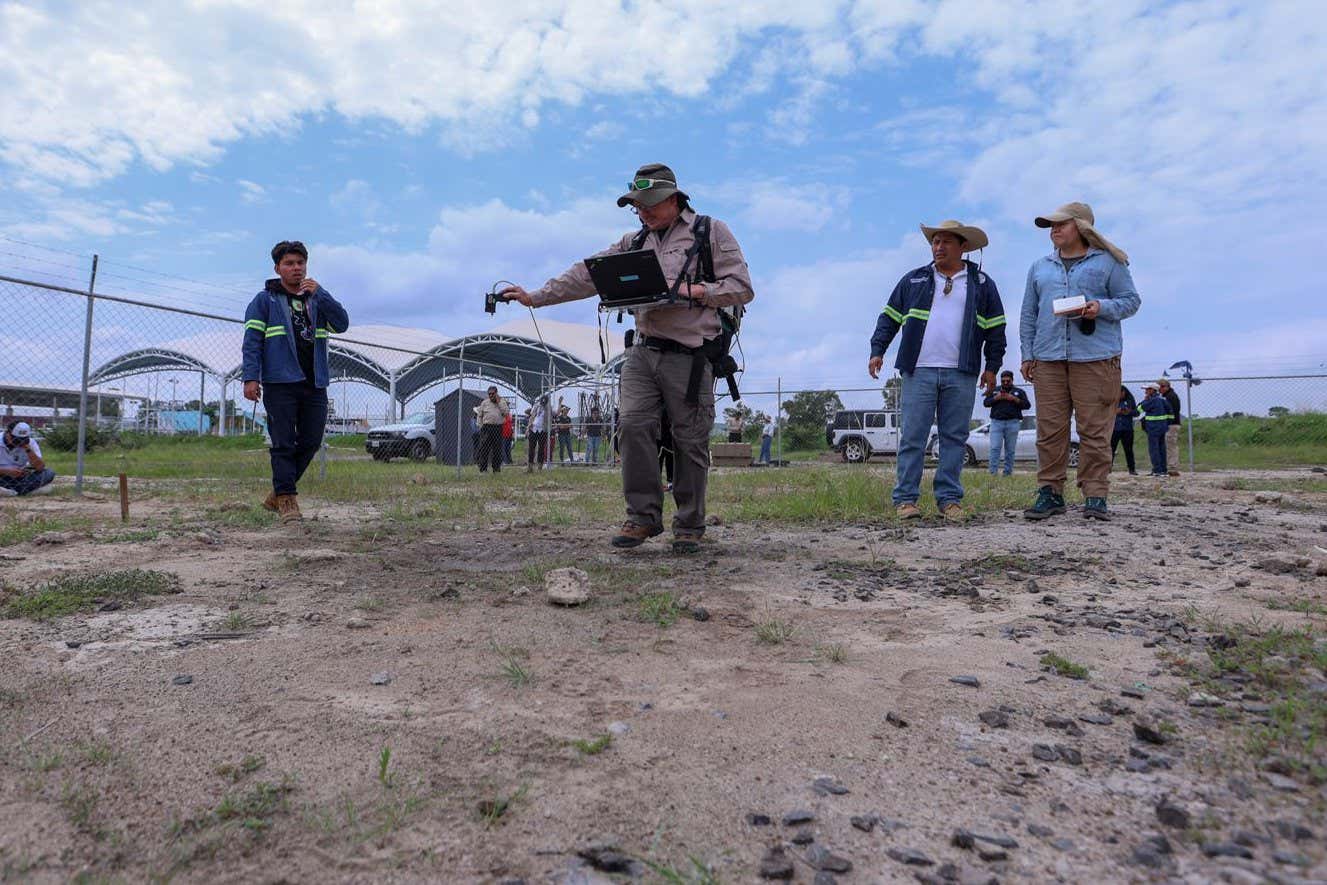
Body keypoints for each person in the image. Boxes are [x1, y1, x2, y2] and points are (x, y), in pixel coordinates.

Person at [501, 163, 754, 553]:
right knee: (632, 426)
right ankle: (642, 517)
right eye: (637, 205)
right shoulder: (633, 242)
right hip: (643, 351)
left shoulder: (710, 232)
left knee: (689, 438)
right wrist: (536, 296)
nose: (642, 211)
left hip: (690, 355)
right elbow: (587, 274)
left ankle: (689, 524)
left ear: (674, 199)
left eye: (649, 203)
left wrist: (693, 291)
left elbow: (741, 287)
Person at [868, 220, 1007, 522]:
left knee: (954, 437)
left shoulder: (982, 284)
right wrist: (878, 350)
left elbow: (996, 329)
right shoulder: (913, 280)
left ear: (962, 247)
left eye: (946, 242)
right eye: (935, 242)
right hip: (918, 370)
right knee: (913, 436)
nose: (939, 247)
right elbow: (889, 318)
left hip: (962, 372)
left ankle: (949, 500)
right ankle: (906, 500)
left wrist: (992, 366)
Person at [1020, 202, 1140, 522]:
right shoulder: (1039, 267)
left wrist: (1100, 307)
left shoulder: (1109, 263)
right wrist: (1027, 354)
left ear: (1082, 227)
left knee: (1095, 431)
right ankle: (1050, 492)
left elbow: (1131, 301)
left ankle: (1096, 495)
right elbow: (1029, 313)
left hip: (1096, 358)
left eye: (1061, 224)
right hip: (1048, 358)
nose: (1054, 229)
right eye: (1051, 225)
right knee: (1049, 431)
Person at [242, 241, 350, 523]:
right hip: (280, 382)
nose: (296, 268)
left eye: (300, 263)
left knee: (311, 441)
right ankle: (287, 499)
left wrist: (322, 294)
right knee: (283, 442)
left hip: (314, 382)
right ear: (277, 268)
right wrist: (250, 377)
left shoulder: (316, 299)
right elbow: (252, 341)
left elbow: (342, 324)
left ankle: (277, 493)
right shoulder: (264, 301)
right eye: (289, 263)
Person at [982, 369, 1030, 476]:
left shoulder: (1019, 392)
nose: (1005, 383)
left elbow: (1027, 405)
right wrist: (996, 398)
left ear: (1012, 380)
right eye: (1003, 381)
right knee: (995, 447)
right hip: (996, 423)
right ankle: (992, 473)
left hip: (1013, 423)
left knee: (1010, 450)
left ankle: (1007, 473)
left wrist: (1014, 399)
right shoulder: (995, 390)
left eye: (1008, 381)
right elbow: (985, 403)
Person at [0, 422, 56, 497]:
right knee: (46, 488)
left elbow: (40, 467)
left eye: (23, 439)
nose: (19, 442)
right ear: (7, 434)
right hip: (1, 475)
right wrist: (7, 471)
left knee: (49, 473)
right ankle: (24, 491)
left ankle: (12, 491)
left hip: (20, 478)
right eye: (16, 439)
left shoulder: (30, 443)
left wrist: (28, 449)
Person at [1139, 384, 1172, 475]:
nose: (1145, 391)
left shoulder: (1151, 401)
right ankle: (1163, 470)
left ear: (1153, 390)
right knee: (1162, 449)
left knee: (1154, 449)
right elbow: (1170, 413)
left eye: (1147, 389)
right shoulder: (1163, 400)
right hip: (1162, 428)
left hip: (1153, 428)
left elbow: (1139, 409)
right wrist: (1166, 424)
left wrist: (1145, 400)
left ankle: (1157, 470)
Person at [475, 386, 508, 473]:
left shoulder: (502, 402)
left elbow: (506, 413)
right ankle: (483, 469)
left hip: (497, 427)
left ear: (496, 393)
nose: (491, 395)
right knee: (484, 449)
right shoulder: (485, 402)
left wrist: (498, 402)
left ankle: (496, 469)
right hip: (486, 427)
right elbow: (479, 415)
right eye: (489, 394)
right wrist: (480, 426)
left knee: (497, 449)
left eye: (493, 394)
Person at [1111, 385, 1139, 475]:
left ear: (1124, 392)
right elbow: (1105, 412)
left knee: (1128, 449)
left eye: (1121, 393)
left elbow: (1136, 413)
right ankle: (1108, 467)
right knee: (1111, 448)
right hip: (1115, 428)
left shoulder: (1130, 400)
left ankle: (1132, 469)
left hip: (1127, 429)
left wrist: (1129, 411)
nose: (1120, 395)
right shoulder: (1112, 401)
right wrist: (1115, 411)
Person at [1158, 378, 1183, 476]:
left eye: (1162, 387)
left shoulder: (1170, 397)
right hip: (1169, 424)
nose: (1160, 389)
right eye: (1159, 387)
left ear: (1167, 387)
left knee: (1171, 446)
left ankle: (1173, 468)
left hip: (1171, 425)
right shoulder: (1166, 396)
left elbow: (1172, 411)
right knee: (1168, 446)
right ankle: (1169, 466)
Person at [526, 397, 548, 472]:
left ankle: (540, 467)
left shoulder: (548, 409)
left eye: (544, 403)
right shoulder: (536, 406)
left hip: (542, 430)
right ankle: (530, 467)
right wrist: (528, 428)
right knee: (531, 448)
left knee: (541, 449)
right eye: (542, 402)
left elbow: (556, 413)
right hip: (533, 429)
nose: (542, 404)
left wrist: (559, 403)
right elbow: (532, 417)